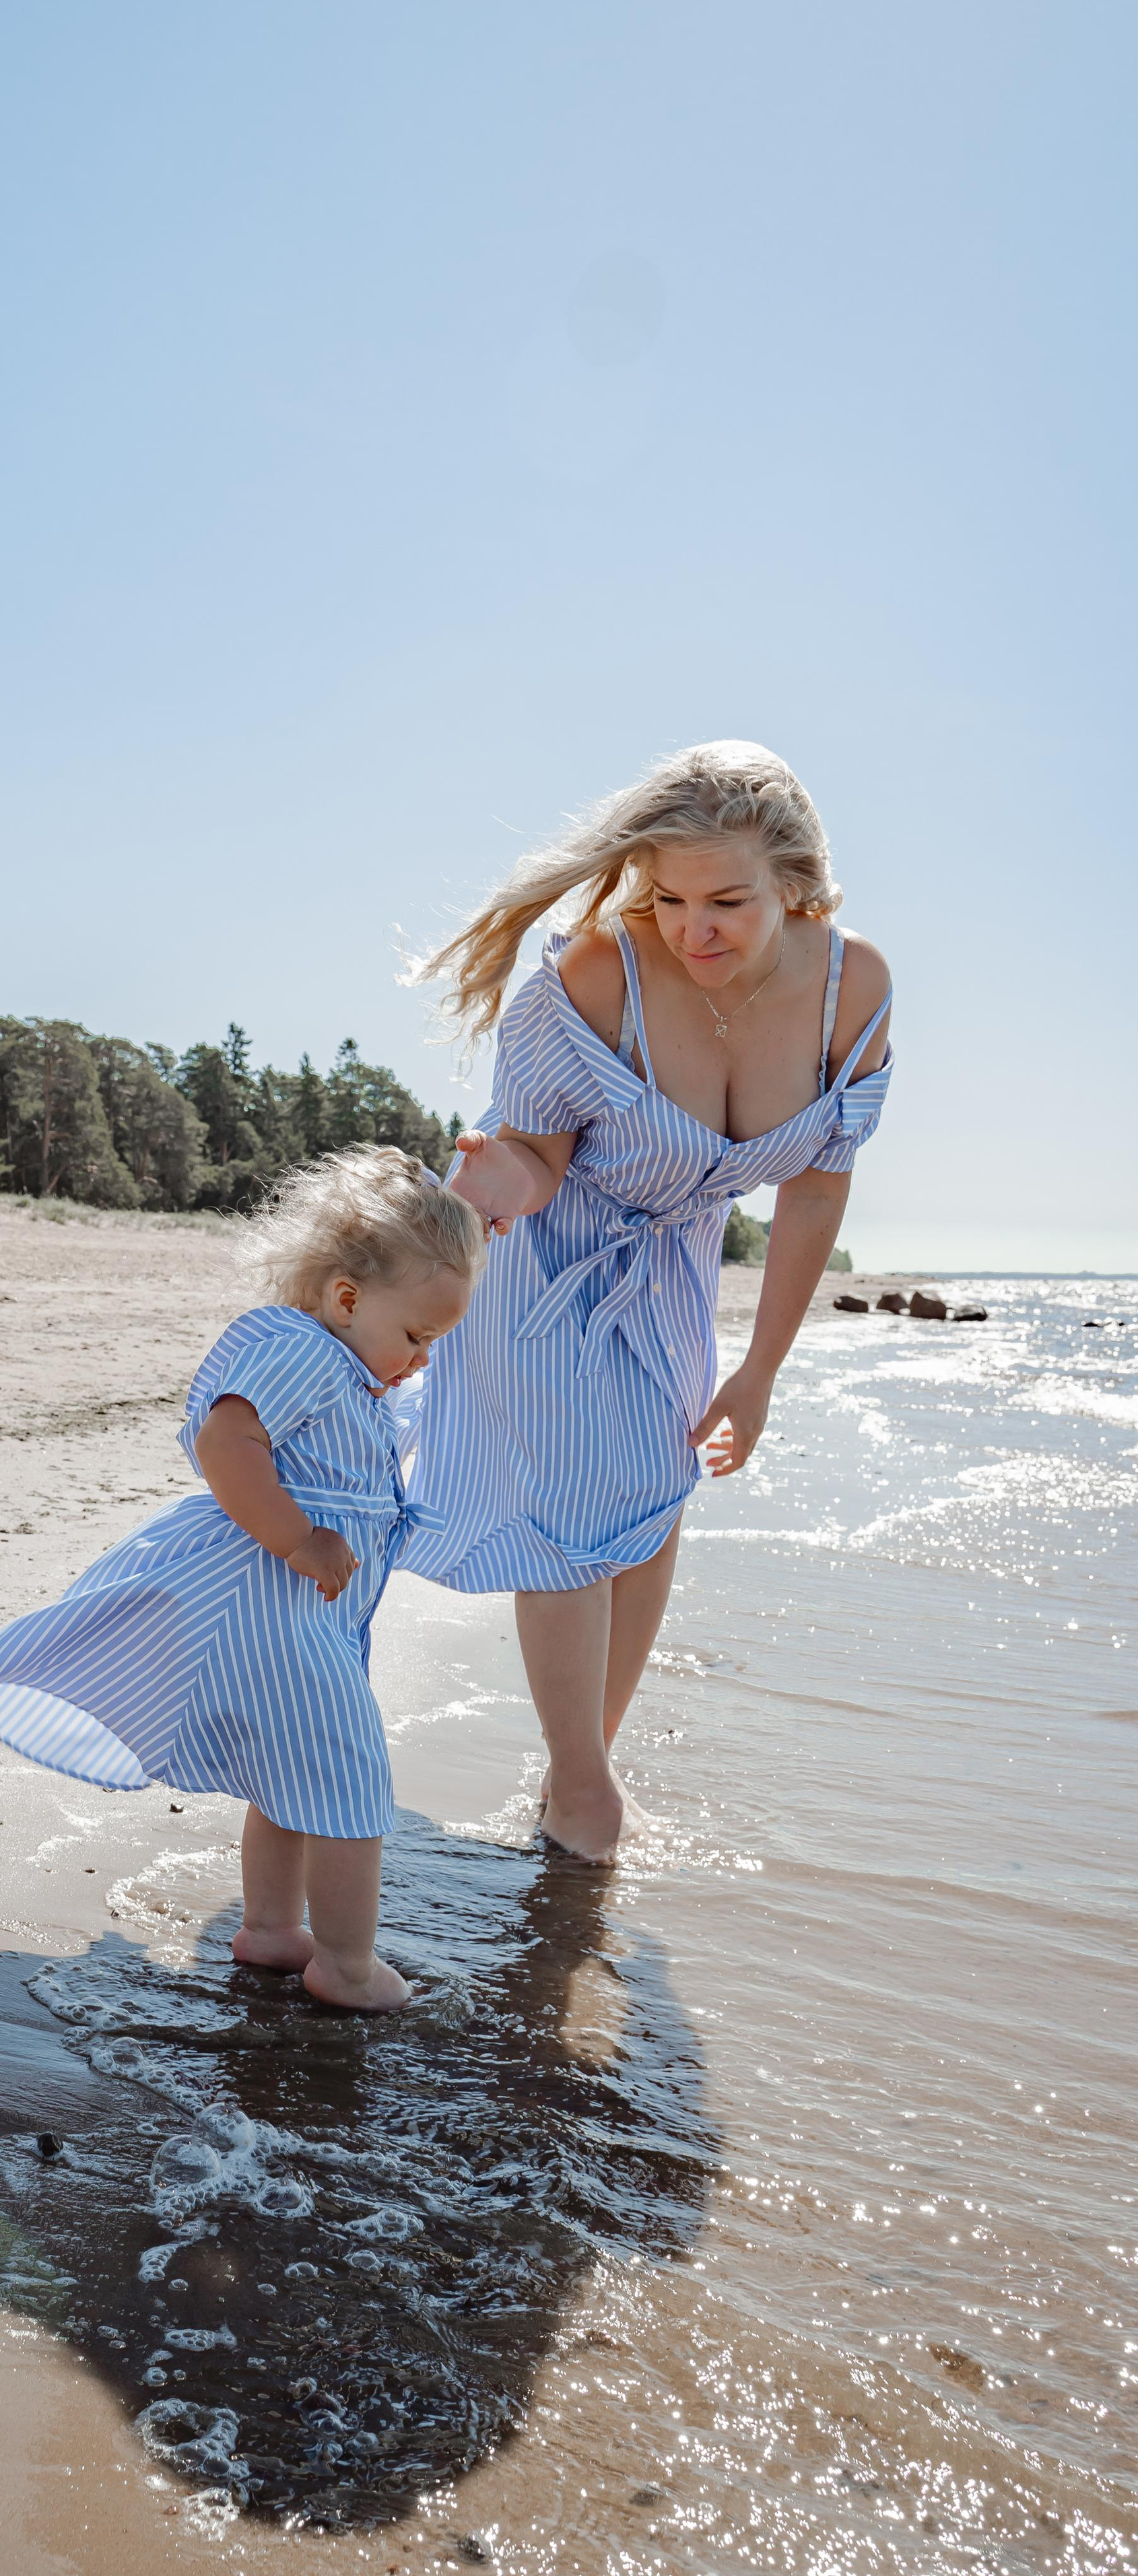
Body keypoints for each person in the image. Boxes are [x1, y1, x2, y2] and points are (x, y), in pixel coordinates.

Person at [403, 741, 892, 1860]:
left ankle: (581, 1774)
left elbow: (818, 1190)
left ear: (799, 890)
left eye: (728, 901)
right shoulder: (595, 973)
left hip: (671, 1265)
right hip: (542, 1256)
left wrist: (759, 1371)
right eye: (669, 898)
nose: (694, 930)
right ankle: (583, 1792)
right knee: (577, 1521)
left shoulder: (851, 991)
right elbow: (535, 1156)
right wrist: (488, 1184)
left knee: (654, 1497)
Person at [0, 1146, 483, 2010]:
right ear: (345, 1297)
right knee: (350, 1779)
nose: (417, 1361)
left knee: (294, 1771)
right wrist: (299, 1538)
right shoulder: (299, 1346)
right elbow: (228, 1443)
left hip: (302, 1619)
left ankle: (269, 1931)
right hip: (271, 1605)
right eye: (416, 1338)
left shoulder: (354, 1371)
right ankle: (344, 1964)